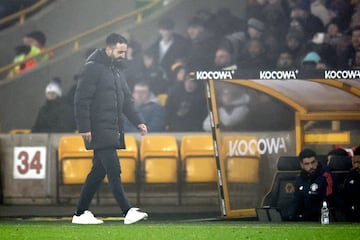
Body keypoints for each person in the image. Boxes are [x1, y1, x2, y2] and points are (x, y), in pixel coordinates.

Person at [73, 33, 148, 225]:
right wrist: (84, 127)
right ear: (109, 49)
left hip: (111, 127)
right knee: (113, 169)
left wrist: (138, 121)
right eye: (120, 51)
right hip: (98, 128)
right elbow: (81, 100)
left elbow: (126, 101)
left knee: (98, 172)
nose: (123, 55)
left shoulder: (116, 71)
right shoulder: (92, 69)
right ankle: (127, 210)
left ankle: (80, 213)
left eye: (125, 51)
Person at [285, 148, 334, 221]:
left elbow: (328, 201)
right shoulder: (300, 179)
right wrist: (289, 216)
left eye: (313, 162)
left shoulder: (325, 177)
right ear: (302, 165)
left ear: (317, 161)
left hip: (320, 218)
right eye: (307, 164)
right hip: (304, 219)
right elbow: (296, 201)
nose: (311, 166)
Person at [342, 146, 360, 221]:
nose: (357, 166)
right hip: (353, 214)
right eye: (354, 162)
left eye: (359, 162)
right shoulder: (349, 176)